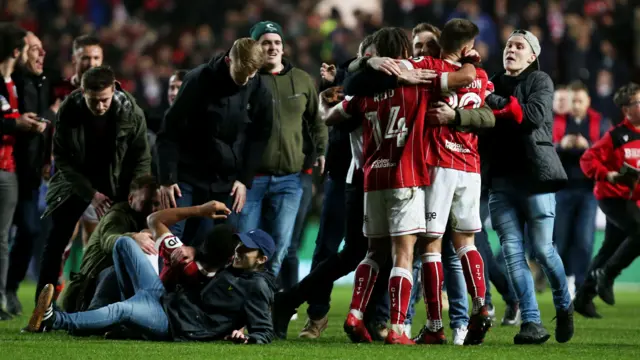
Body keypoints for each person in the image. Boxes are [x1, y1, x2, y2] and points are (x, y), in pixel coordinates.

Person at [26, 201, 276, 345]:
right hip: (163, 299)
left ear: (262, 259)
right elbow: (155, 219)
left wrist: (245, 337)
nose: (239, 250)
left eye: (247, 249)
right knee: (125, 244)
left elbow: (263, 328)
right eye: (239, 244)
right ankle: (125, 325)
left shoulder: (256, 286)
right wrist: (194, 246)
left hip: (173, 323)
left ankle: (53, 321)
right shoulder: (229, 264)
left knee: (121, 309)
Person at [483, 30, 573, 344]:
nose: (512, 49)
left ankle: (564, 305)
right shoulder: (491, 80)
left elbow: (533, 117)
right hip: (501, 182)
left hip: (536, 179)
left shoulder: (540, 82)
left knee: (544, 251)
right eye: (508, 44)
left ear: (531, 56)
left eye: (520, 46)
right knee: (511, 252)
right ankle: (532, 323)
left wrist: (491, 101)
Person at [35, 66, 151, 305]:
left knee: (115, 242)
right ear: (82, 92)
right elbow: (63, 160)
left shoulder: (132, 112)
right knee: (56, 243)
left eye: (104, 100)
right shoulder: (69, 110)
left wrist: (137, 191)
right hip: (76, 182)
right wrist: (91, 194)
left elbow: (142, 155)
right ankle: (42, 309)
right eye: (93, 101)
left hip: (118, 183)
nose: (99, 107)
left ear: (115, 88)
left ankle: (101, 303)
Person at [232, 21, 328, 275]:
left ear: (284, 48)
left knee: (280, 248)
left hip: (290, 179)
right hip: (250, 181)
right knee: (244, 247)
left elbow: (317, 122)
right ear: (255, 48)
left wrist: (320, 151)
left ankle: (266, 305)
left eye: (277, 42)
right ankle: (243, 303)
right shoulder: (244, 81)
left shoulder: (303, 80)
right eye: (266, 43)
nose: (272, 47)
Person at [156, 38, 273, 246]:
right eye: (241, 74)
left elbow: (260, 134)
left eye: (251, 74)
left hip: (224, 180)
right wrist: (167, 178)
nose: (245, 80)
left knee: (210, 244)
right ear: (229, 61)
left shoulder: (257, 86)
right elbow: (169, 129)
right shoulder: (198, 80)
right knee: (172, 238)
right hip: (186, 175)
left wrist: (244, 179)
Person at [575, 82, 640, 318]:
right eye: (638, 102)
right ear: (627, 109)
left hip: (631, 200)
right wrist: (609, 174)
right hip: (612, 197)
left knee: (609, 248)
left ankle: (583, 298)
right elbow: (587, 160)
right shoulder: (616, 136)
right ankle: (608, 274)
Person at [5, 31, 56, 317]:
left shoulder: (41, 83)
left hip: (29, 174)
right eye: (34, 49)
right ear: (18, 52)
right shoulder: (10, 83)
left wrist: (46, 159)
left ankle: (10, 286)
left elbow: (45, 127)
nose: (41, 54)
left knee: (29, 229)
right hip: (8, 168)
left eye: (42, 48)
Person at [59, 175, 162, 313]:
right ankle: (93, 314)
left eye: (156, 204)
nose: (152, 209)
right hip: (87, 291)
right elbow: (109, 240)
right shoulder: (117, 215)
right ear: (131, 199)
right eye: (146, 203)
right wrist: (133, 237)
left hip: (110, 289)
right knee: (118, 268)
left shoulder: (154, 220)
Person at [552, 81, 608, 296]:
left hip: (588, 192)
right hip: (563, 190)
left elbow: (604, 153)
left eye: (579, 101)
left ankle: (582, 286)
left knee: (584, 240)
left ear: (588, 102)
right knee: (562, 240)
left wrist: (588, 147)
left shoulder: (599, 123)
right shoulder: (557, 123)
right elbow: (546, 150)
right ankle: (566, 282)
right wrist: (560, 146)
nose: (575, 105)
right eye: (572, 101)